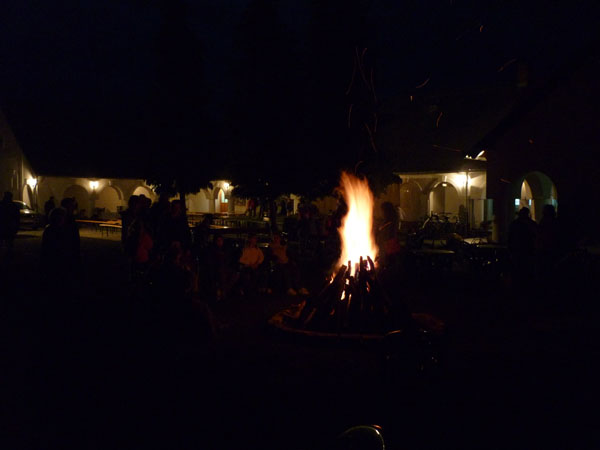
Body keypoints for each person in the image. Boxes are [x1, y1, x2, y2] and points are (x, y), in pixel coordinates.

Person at [508, 207, 537, 293]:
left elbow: (510, 238)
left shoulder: (515, 224)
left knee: (518, 272)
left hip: (518, 251)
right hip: (528, 252)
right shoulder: (531, 224)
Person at [0, 191, 20, 261]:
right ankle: (8, 256)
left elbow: (17, 218)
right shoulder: (13, 206)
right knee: (9, 243)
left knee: (6, 242)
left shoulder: (2, 205)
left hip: (4, 226)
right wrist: (16, 227)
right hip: (8, 226)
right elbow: (17, 218)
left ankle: (7, 256)